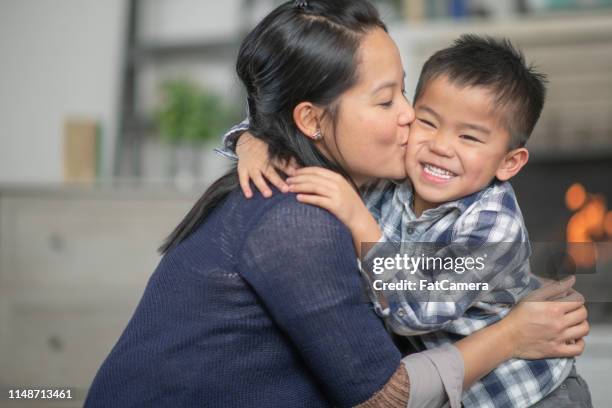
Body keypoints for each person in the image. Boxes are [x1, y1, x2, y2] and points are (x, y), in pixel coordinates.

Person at [86, 1, 588, 407]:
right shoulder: (306, 216)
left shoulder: (353, 187)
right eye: (388, 100)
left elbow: (426, 291)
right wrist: (512, 332)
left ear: (510, 160)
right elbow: (385, 393)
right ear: (310, 121)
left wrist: (266, 140)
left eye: (403, 93)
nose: (412, 120)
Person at [220, 34, 593, 407]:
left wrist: (358, 219)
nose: (440, 146)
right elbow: (312, 133)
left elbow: (416, 312)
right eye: (428, 122)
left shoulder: (494, 225)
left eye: (468, 136)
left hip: (535, 396)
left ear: (508, 163)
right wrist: (251, 141)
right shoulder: (396, 177)